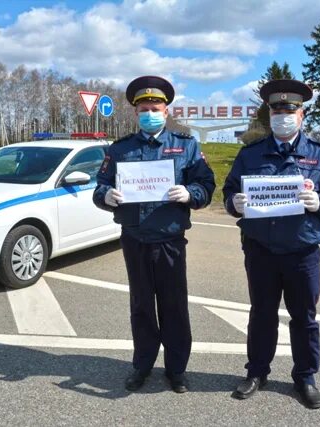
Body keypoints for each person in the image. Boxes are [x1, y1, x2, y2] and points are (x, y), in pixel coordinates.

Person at [223, 79, 320, 408]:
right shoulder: (250, 154)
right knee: (261, 314)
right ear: (269, 113)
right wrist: (234, 203)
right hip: (261, 250)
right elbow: (228, 192)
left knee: (304, 318)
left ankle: (305, 376)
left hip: (302, 251)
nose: (283, 114)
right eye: (277, 109)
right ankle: (256, 372)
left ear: (302, 114)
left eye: (290, 109)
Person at [93, 75, 216, 393]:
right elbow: (100, 187)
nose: (150, 112)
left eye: (156, 107)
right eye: (144, 108)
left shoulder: (186, 146)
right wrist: (106, 196)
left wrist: (191, 194)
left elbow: (206, 185)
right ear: (136, 113)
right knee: (141, 305)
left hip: (170, 239)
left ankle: (176, 370)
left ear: (166, 111)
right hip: (135, 238)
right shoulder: (120, 149)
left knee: (174, 306)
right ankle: (142, 365)